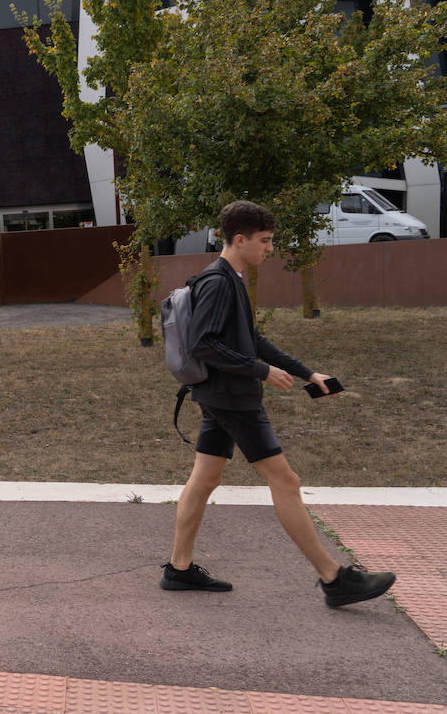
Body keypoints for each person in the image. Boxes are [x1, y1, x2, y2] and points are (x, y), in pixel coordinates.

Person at [163, 200, 395, 607]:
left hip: (222, 398)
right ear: (240, 239)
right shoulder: (219, 282)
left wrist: (308, 373)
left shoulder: (230, 279)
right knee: (286, 482)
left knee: (204, 480)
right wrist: (260, 371)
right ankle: (333, 578)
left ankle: (179, 570)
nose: (270, 248)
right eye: (265, 241)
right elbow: (205, 344)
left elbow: (252, 339)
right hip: (234, 401)